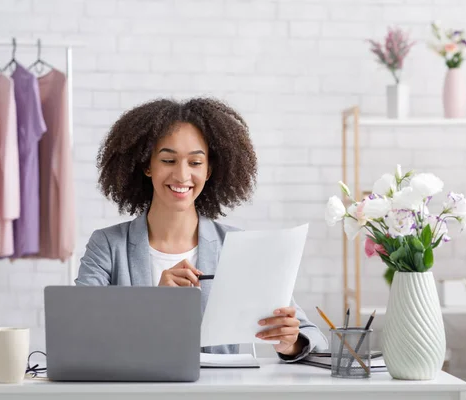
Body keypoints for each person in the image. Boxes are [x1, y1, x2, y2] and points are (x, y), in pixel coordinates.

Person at [75, 98, 327, 362]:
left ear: (209, 170)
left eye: (195, 163)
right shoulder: (107, 245)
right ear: (147, 165)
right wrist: (153, 305)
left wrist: (290, 343)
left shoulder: (237, 246)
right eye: (168, 160)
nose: (182, 176)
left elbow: (314, 337)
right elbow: (78, 331)